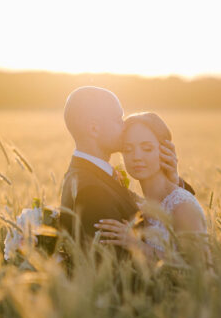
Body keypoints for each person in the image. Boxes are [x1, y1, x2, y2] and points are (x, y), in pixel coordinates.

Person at [59, 88, 179, 247]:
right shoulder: (92, 191)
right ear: (94, 129)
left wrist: (172, 183)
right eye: (118, 119)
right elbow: (115, 265)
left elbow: (153, 215)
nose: (125, 126)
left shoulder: (94, 175)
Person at [95, 112, 208, 262]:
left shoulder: (182, 205)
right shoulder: (137, 205)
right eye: (128, 149)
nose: (137, 156)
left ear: (165, 151)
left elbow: (199, 270)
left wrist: (135, 245)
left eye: (147, 148)